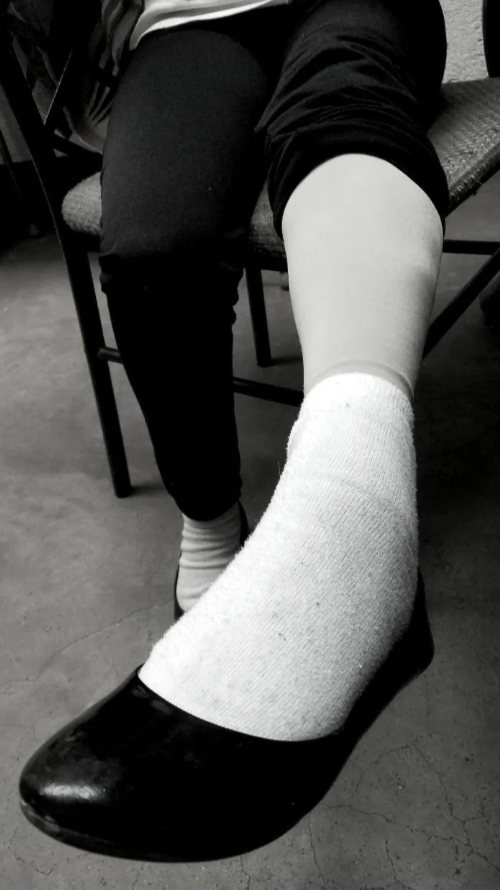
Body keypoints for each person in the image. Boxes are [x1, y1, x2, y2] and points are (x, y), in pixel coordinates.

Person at [19, 0, 451, 862]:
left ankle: (355, 508)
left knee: (340, 108)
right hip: (191, 18)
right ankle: (213, 526)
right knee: (152, 243)